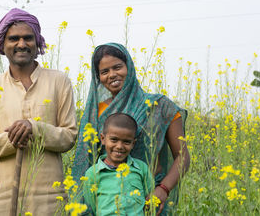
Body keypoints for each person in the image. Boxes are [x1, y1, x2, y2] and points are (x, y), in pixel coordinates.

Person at [0, 8, 77, 216]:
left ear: (37, 43)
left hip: (50, 198)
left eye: (28, 38)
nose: (21, 44)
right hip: (4, 199)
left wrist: (34, 128)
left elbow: (69, 136)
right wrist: (13, 137)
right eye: (14, 39)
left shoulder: (59, 81)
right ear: (3, 45)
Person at [72, 43, 190, 215]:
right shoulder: (96, 112)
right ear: (98, 77)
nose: (112, 75)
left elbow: (183, 156)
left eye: (117, 67)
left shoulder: (161, 107)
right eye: (104, 72)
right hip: (107, 202)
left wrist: (163, 190)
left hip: (149, 198)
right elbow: (87, 160)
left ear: (129, 67)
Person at [83, 113, 154, 216]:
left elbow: (150, 197)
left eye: (126, 142)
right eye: (114, 140)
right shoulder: (92, 173)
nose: (119, 146)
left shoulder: (141, 168)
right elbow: (93, 206)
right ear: (103, 139)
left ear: (133, 144)